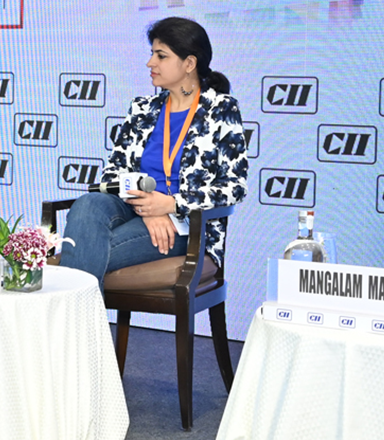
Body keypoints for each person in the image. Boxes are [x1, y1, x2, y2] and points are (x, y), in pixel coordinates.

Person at [58, 17, 248, 287]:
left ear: (189, 64)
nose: (150, 63)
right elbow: (112, 174)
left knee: (84, 254)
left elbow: (234, 187)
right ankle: (82, 315)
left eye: (161, 56)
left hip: (187, 224)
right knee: (89, 203)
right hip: (137, 209)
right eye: (152, 54)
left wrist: (171, 205)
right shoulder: (142, 109)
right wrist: (149, 209)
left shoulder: (221, 109)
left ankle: (72, 312)